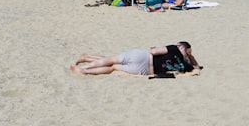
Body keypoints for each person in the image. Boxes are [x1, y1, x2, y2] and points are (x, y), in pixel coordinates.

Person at [70, 41, 201, 77]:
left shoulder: (173, 48)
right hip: (145, 71)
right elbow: (196, 67)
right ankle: (85, 70)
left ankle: (85, 66)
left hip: (144, 57)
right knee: (113, 67)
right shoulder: (186, 66)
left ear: (180, 45)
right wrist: (191, 57)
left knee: (111, 59)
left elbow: (153, 51)